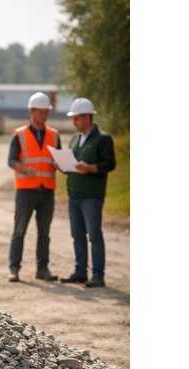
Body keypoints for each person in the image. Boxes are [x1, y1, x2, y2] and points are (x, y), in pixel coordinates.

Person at [60, 97, 116, 288]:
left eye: (76, 118)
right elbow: (72, 163)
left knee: (94, 235)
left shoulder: (103, 138)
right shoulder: (75, 139)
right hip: (74, 193)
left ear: (86, 117)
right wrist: (61, 164)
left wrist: (91, 168)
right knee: (77, 235)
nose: (73, 122)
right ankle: (80, 272)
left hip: (92, 196)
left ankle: (98, 275)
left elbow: (110, 164)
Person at [7, 92, 61, 283]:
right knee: (19, 231)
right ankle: (14, 268)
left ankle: (42, 268)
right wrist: (24, 169)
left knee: (44, 234)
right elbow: (11, 161)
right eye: (40, 112)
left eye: (46, 112)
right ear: (31, 111)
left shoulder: (54, 135)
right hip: (26, 191)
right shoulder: (19, 135)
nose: (43, 116)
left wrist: (59, 164)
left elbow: (58, 158)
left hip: (46, 190)